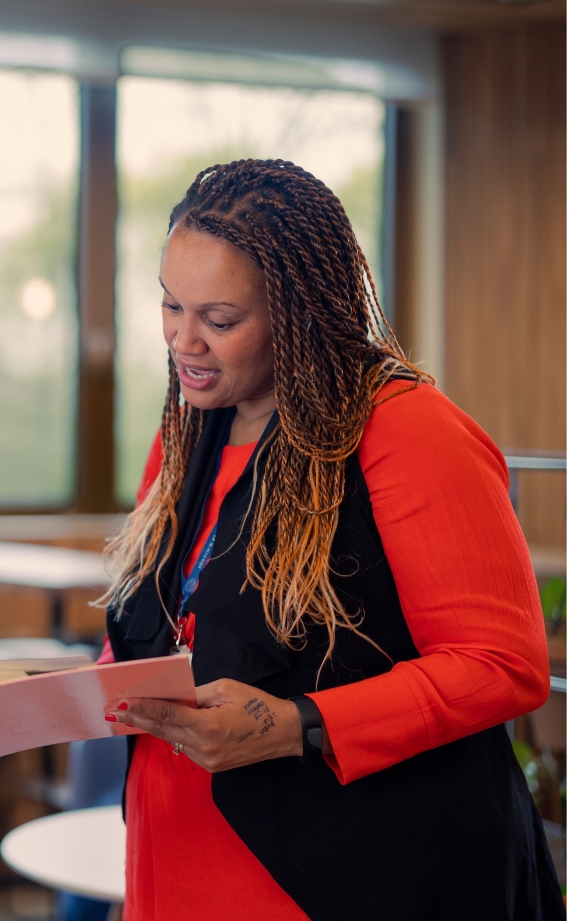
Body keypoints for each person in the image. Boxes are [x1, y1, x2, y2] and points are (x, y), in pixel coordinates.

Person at [97, 159, 562, 920]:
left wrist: (296, 725)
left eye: (220, 320)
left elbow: (503, 665)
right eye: (169, 305)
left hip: (343, 872)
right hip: (176, 848)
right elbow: (176, 615)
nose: (185, 341)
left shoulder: (406, 427)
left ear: (301, 310)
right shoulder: (187, 432)